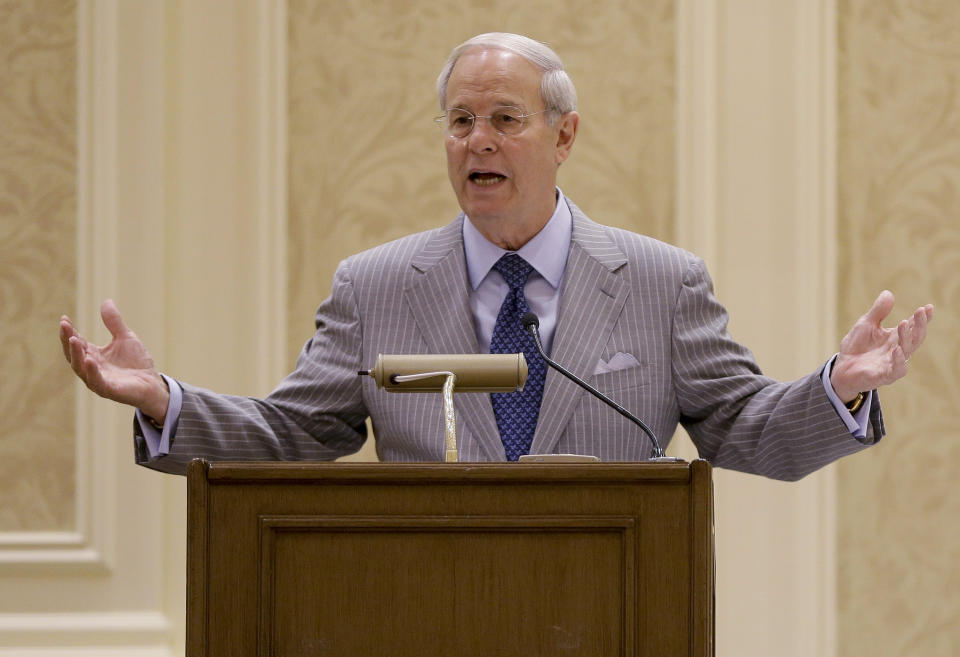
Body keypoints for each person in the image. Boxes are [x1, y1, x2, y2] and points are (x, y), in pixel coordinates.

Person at [59, 33, 933, 479]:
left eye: (506, 120)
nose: (479, 140)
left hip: (616, 604)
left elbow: (746, 428)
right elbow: (296, 433)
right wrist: (164, 400)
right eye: (461, 121)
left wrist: (838, 388)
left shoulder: (662, 282)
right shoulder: (374, 287)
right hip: (429, 613)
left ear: (564, 135)